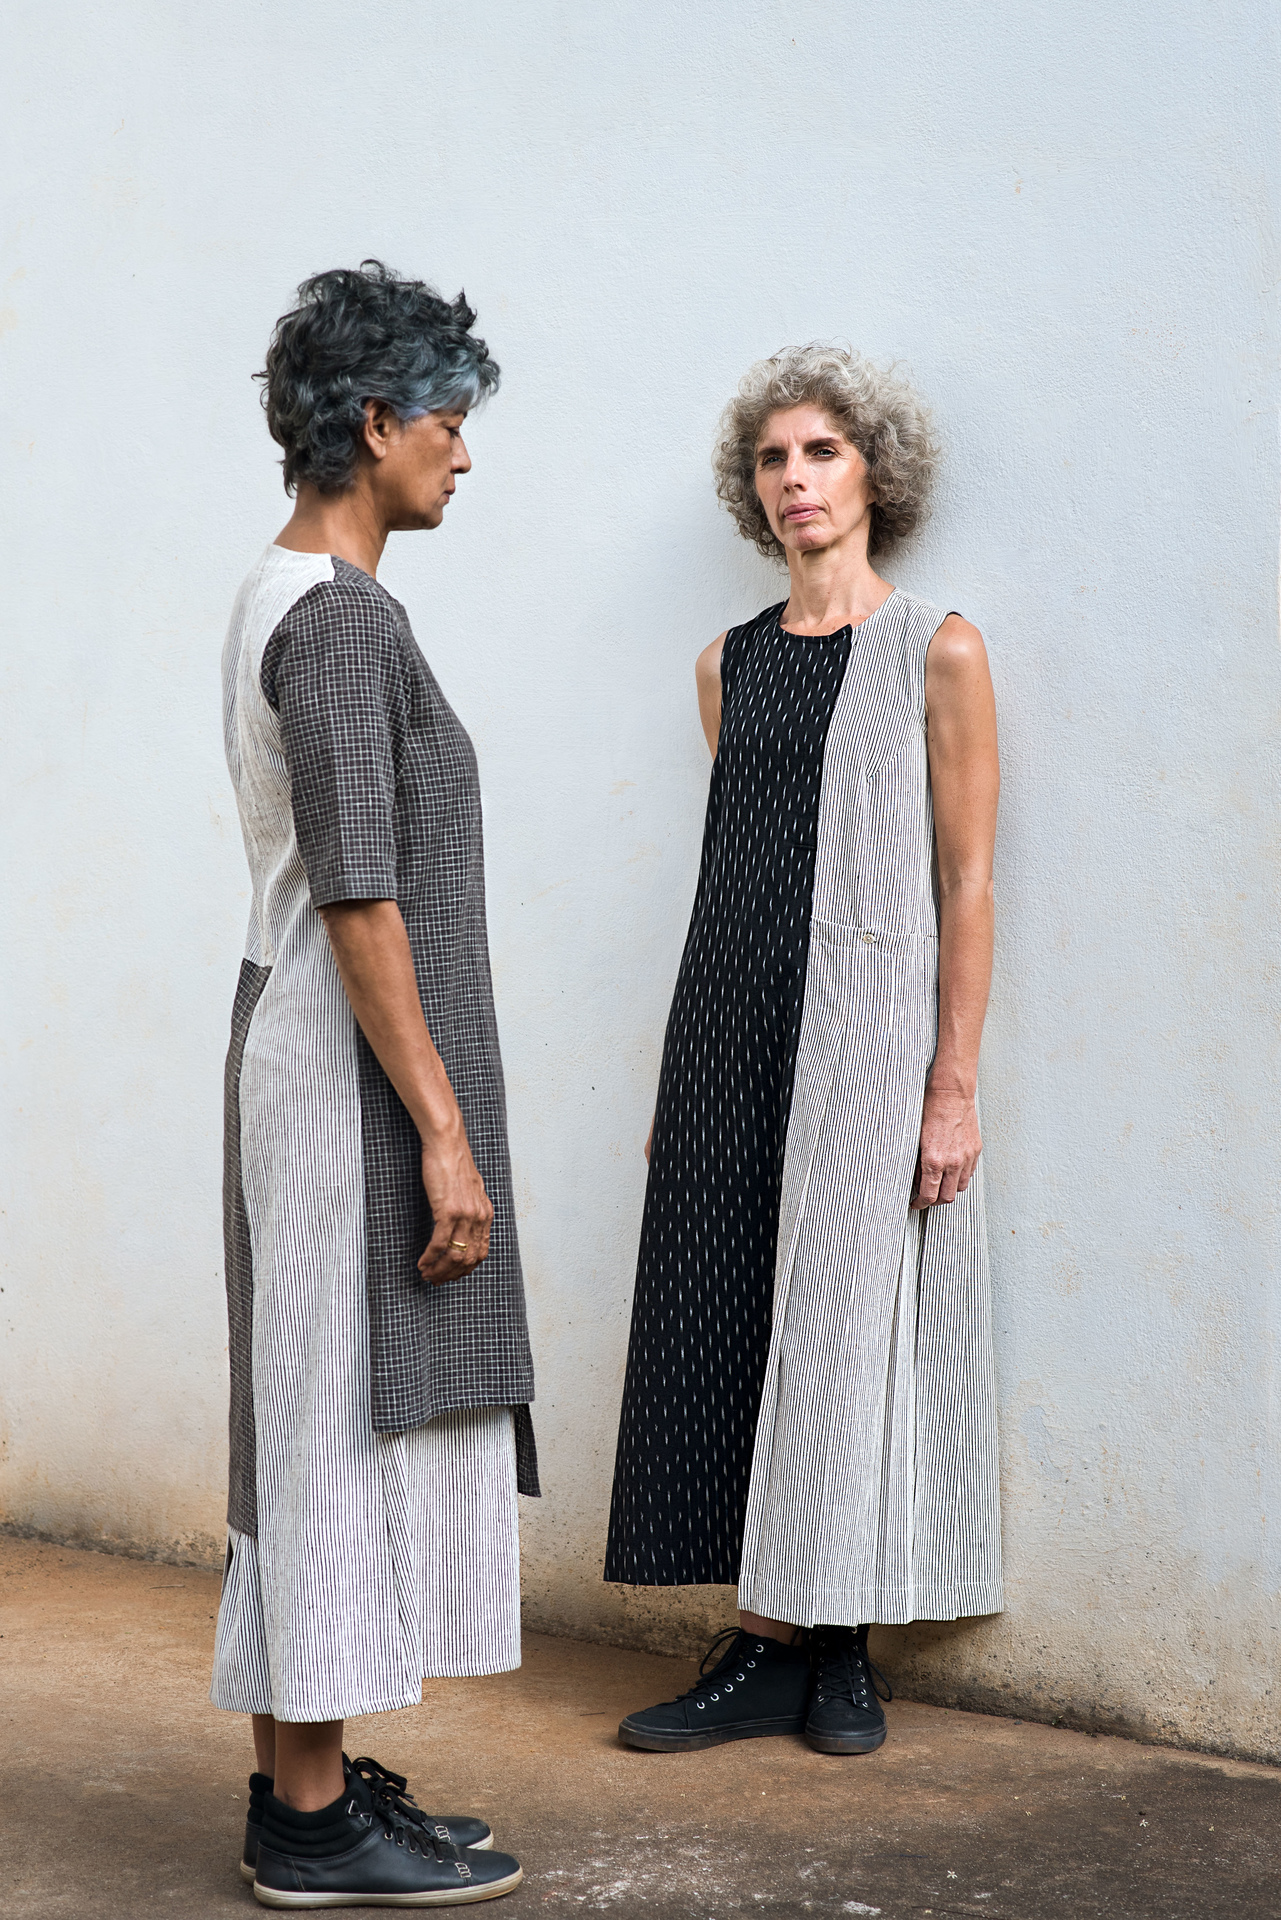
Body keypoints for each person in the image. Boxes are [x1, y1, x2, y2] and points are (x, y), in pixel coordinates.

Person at [606, 345, 1002, 1757]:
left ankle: (834, 1647)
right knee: (728, 1315)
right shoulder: (726, 665)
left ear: (874, 473)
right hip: (729, 1025)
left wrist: (951, 1084)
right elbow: (734, 866)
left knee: (843, 1320)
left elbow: (967, 879)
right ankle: (775, 1643)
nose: (795, 480)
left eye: (821, 451)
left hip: (867, 1036)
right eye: (772, 458)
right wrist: (681, 1074)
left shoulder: (939, 650)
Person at [212, 261, 536, 1906]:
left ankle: (312, 1784)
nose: (463, 455)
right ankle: (310, 1820)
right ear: (374, 421)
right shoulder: (337, 621)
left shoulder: (286, 593)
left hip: (306, 1055)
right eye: (449, 423)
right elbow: (359, 897)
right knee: (331, 1433)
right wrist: (444, 1135)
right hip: (345, 1083)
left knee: (311, 1420)